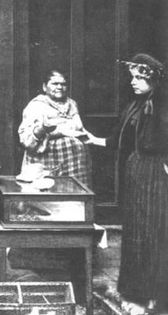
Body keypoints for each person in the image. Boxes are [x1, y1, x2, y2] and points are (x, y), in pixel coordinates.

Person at [86, 53, 168, 312]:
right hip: (136, 173)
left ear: (152, 79)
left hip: (154, 175)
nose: (133, 82)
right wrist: (91, 139)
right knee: (135, 232)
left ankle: (152, 295)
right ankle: (135, 293)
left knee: (152, 234)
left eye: (139, 78)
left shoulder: (162, 106)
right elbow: (116, 141)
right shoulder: (135, 105)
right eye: (132, 77)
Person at [18, 69, 92, 187]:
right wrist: (42, 130)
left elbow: (79, 127)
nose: (59, 87)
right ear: (44, 87)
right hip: (47, 159)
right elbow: (26, 140)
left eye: (63, 84)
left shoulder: (72, 104)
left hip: (74, 161)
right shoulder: (36, 106)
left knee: (74, 195)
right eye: (55, 84)